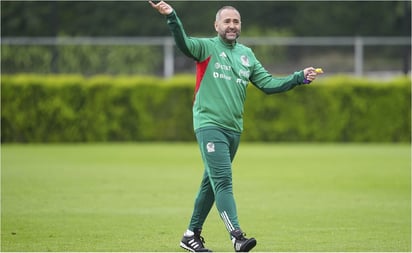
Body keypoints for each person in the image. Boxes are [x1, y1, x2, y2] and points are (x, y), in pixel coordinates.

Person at [149, 1, 321, 252]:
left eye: (236, 21)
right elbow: (184, 43)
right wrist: (172, 17)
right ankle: (237, 236)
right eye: (227, 21)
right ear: (216, 25)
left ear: (240, 26)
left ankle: (190, 235)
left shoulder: (246, 55)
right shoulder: (206, 47)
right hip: (209, 125)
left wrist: (298, 78)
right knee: (224, 182)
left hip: (233, 130)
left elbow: (269, 84)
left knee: (211, 183)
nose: (232, 25)